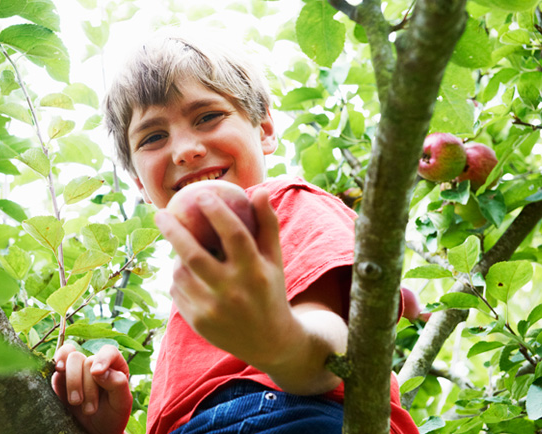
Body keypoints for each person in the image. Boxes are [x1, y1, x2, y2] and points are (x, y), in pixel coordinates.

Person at [52, 32, 419, 434]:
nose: (185, 150)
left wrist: (283, 343)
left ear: (264, 128)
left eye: (208, 116)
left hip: (290, 417)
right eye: (154, 137)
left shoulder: (281, 204)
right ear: (139, 184)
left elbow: (333, 334)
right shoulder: (196, 286)